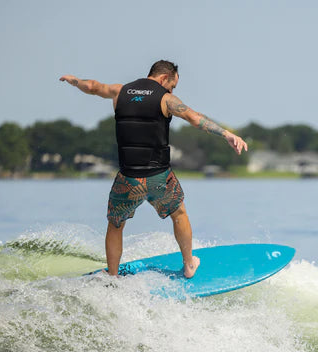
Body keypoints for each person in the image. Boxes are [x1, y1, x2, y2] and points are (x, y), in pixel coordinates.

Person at [60, 60, 247, 278]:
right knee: (179, 213)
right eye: (173, 85)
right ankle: (189, 265)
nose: (171, 89)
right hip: (159, 178)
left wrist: (74, 81)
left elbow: (92, 86)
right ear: (164, 78)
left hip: (128, 179)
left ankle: (112, 277)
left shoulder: (119, 92)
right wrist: (227, 134)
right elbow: (195, 119)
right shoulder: (166, 98)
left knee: (115, 225)